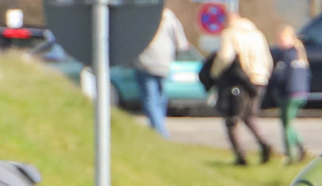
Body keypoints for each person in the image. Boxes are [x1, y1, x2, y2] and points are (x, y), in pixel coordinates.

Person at [203, 13, 277, 164]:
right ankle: (264, 143)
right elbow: (268, 59)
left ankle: (240, 155)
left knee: (233, 117)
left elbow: (225, 57)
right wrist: (265, 75)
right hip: (260, 78)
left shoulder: (230, 34)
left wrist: (214, 74)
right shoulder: (258, 34)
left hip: (241, 80)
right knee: (250, 115)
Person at [133, 10, 191, 136]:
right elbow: (181, 42)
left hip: (145, 62)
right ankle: (158, 128)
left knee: (150, 99)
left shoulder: (140, 15)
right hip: (164, 63)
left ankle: (160, 133)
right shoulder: (169, 16)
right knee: (160, 97)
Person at [266, 24, 310, 164]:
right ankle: (301, 147)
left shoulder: (287, 55)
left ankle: (291, 155)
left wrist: (271, 84)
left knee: (286, 125)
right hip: (301, 93)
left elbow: (281, 75)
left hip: (289, 93)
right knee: (290, 123)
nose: (279, 42)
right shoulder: (300, 54)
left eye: (281, 39)